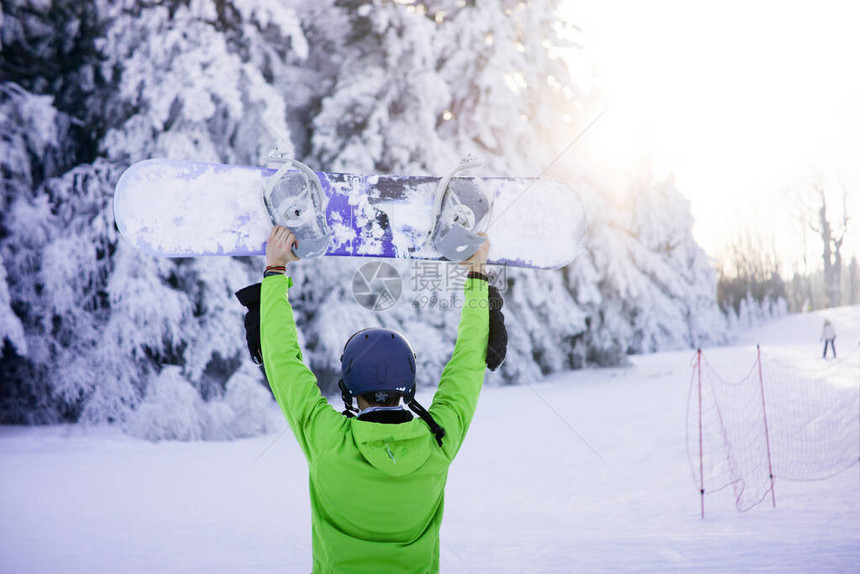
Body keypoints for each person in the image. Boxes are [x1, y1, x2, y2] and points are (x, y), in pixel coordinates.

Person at [245, 225, 504, 573]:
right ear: (409, 386)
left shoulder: (329, 440)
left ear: (349, 388)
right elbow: (468, 365)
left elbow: (282, 361)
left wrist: (275, 271)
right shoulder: (437, 442)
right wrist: (477, 276)